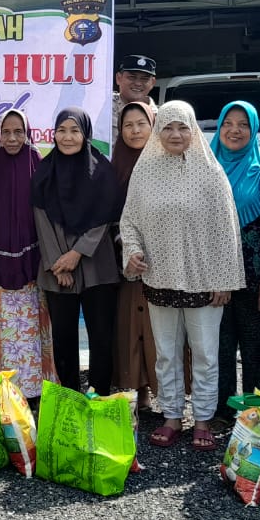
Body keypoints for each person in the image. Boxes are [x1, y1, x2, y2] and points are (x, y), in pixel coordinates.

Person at [120, 100, 244, 452]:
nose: (175, 134)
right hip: (159, 279)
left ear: (193, 131)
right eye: (169, 127)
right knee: (167, 354)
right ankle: (172, 416)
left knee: (205, 354)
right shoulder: (146, 171)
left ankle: (202, 419)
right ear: (159, 131)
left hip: (205, 281)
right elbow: (129, 221)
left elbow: (227, 227)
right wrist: (133, 252)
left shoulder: (210, 172)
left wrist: (224, 278)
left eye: (183, 127)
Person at [211, 101, 260, 426]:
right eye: (228, 123)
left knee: (259, 348)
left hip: (258, 276)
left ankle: (257, 414)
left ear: (254, 129)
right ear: (218, 127)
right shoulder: (207, 168)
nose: (234, 130)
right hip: (215, 278)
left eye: (243, 124)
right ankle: (221, 410)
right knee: (219, 346)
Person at [31, 108, 121, 395]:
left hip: (97, 266)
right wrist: (59, 263)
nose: (68, 138)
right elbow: (41, 219)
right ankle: (69, 398)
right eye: (62, 131)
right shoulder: (44, 172)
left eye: (75, 131)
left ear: (86, 135)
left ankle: (99, 398)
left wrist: (76, 254)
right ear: (53, 134)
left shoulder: (102, 171)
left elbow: (104, 217)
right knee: (64, 339)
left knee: (102, 337)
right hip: (57, 270)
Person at [0, 109, 57, 398]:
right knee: (2, 329)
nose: (12, 138)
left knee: (32, 329)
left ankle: (35, 391)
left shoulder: (38, 164)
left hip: (33, 266)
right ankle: (3, 391)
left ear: (28, 133)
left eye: (18, 132)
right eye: (6, 132)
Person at [110, 100, 161, 408]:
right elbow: (107, 211)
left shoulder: (166, 160)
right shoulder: (114, 163)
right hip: (125, 258)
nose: (135, 130)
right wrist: (124, 244)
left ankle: (165, 393)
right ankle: (136, 391)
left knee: (160, 329)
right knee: (130, 325)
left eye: (141, 123)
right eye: (128, 125)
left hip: (163, 260)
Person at [111, 54, 157, 134]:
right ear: (118, 78)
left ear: (152, 83)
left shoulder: (159, 116)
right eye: (132, 77)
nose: (138, 83)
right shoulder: (102, 108)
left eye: (144, 79)